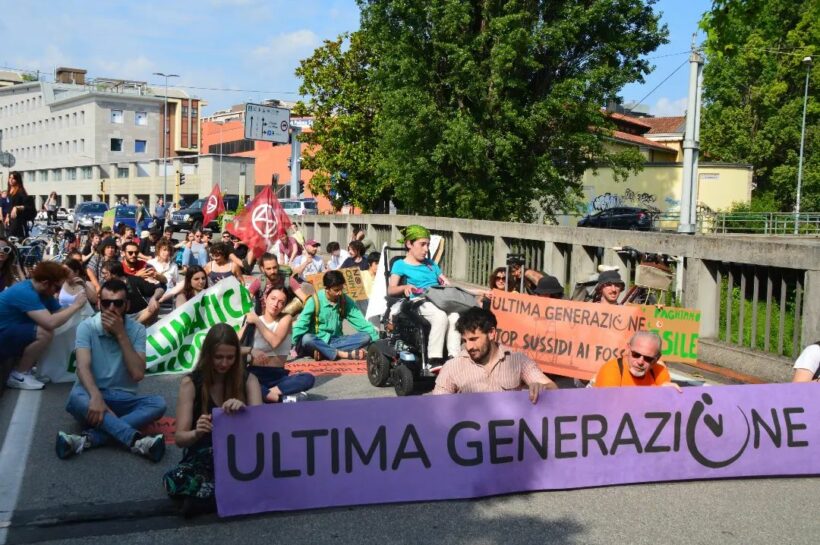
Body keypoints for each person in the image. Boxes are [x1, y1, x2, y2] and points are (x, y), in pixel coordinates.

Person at [55, 278, 167, 462]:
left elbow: (137, 374)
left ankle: (88, 439)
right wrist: (96, 397)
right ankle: (137, 441)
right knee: (75, 396)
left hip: (122, 398)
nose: (111, 308)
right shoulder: (87, 327)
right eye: (106, 303)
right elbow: (82, 367)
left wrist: (121, 334)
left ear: (127, 305)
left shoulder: (137, 330)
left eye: (118, 303)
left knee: (158, 404)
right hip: (92, 397)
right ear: (99, 304)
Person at [163, 323, 262, 515]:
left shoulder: (249, 380)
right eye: (218, 357)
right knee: (177, 478)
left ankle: (207, 499)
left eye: (230, 357)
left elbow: (262, 429)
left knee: (260, 473)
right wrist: (197, 432)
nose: (224, 363)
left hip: (240, 453)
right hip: (203, 456)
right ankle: (226, 495)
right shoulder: (191, 383)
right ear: (208, 355)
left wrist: (245, 412)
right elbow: (180, 439)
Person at [433, 307, 557, 402]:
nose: (469, 347)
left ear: (491, 333)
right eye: (465, 341)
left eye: (474, 339)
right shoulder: (452, 367)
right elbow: (436, 406)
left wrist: (541, 387)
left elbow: (553, 388)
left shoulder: (518, 360)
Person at [1, 262, 88, 390]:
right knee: (44, 332)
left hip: (9, 331)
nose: (58, 292)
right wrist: (76, 305)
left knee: (48, 330)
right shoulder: (25, 292)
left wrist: (80, 308)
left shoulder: (44, 292)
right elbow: (50, 322)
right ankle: (19, 375)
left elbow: (61, 314)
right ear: (46, 283)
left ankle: (27, 368)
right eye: (57, 288)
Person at [388, 225, 460, 366]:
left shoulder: (431, 264)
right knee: (440, 316)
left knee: (455, 316)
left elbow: (445, 281)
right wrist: (405, 287)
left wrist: (446, 283)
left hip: (438, 298)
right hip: (419, 301)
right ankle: (434, 360)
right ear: (409, 244)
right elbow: (391, 289)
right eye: (422, 244)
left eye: (428, 245)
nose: (426, 249)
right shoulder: (400, 264)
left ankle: (454, 358)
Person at [242, 288, 315, 403]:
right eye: (273, 298)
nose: (276, 304)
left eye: (281, 302)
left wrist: (257, 322)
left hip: (277, 375)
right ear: (265, 299)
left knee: (308, 378)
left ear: (284, 305)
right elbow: (233, 345)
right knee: (241, 379)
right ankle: (278, 398)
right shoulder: (253, 320)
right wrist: (250, 349)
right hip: (254, 373)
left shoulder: (285, 318)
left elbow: (275, 342)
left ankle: (265, 393)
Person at [292, 270, 378, 361]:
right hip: (318, 339)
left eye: (341, 289)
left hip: (336, 340)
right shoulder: (314, 301)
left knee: (366, 337)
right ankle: (343, 354)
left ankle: (324, 352)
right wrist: (293, 344)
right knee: (307, 339)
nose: (340, 293)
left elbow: (360, 321)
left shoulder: (344, 300)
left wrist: (377, 339)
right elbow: (302, 324)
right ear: (327, 289)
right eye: (336, 290)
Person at [593, 331, 681, 390]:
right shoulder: (611, 370)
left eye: (648, 358)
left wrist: (668, 394)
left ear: (656, 359)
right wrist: (656, 394)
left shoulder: (659, 371)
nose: (640, 362)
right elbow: (611, 405)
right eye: (636, 354)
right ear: (628, 349)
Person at [6, 171, 30, 239]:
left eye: (13, 178)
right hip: (10, 219)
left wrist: (16, 207)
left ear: (17, 180)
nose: (11, 180)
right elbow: (10, 206)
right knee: (14, 238)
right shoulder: (9, 191)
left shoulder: (20, 191)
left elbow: (28, 206)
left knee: (11, 238)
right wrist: (7, 216)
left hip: (18, 219)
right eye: (10, 178)